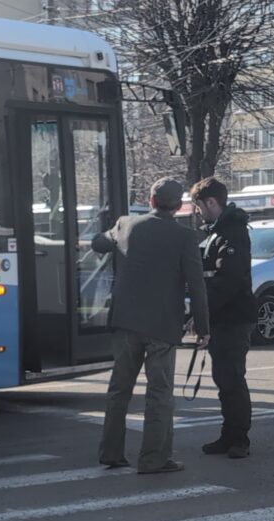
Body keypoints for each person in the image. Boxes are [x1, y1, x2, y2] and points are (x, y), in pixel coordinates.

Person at [94, 178, 210, 475]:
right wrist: (203, 327)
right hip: (161, 326)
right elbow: (197, 285)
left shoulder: (125, 224)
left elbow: (98, 243)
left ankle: (111, 452)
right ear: (179, 206)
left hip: (125, 321)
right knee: (159, 393)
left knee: (119, 389)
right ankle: (154, 459)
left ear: (150, 200)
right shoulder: (185, 237)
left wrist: (114, 236)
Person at [191, 177, 256, 459]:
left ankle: (239, 438)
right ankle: (228, 435)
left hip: (233, 317)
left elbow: (226, 282)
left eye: (198, 206)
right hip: (224, 318)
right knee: (224, 379)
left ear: (211, 202)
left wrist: (202, 315)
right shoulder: (219, 232)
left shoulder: (232, 233)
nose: (197, 212)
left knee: (232, 379)